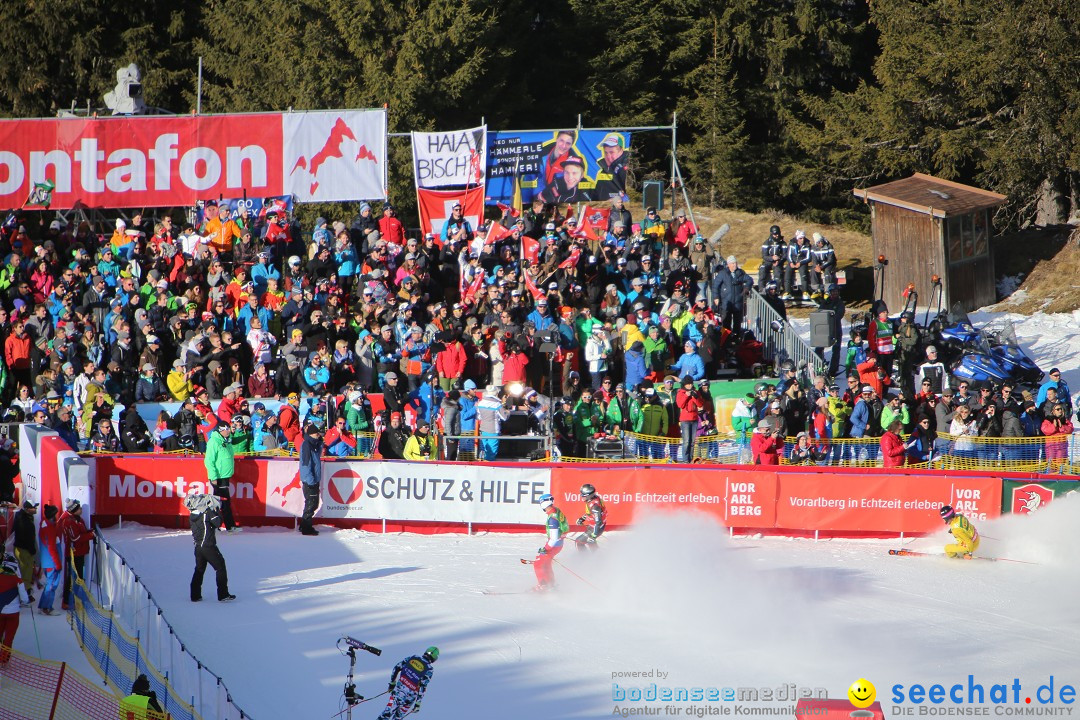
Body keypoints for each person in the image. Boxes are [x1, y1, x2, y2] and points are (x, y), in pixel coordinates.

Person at [184, 491, 235, 602]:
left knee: (199, 569)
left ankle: (195, 595)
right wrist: (216, 511)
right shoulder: (207, 513)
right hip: (208, 546)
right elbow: (218, 523)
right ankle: (223, 594)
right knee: (220, 567)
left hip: (198, 547)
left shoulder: (192, 514)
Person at [379, 646, 438, 720]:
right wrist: (418, 703)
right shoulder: (429, 669)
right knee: (397, 718)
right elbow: (423, 687)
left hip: (398, 692)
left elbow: (397, 667)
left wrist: (392, 683)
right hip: (409, 699)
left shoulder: (413, 657)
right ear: (435, 659)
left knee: (386, 714)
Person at [59, 498, 94, 609]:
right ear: (74, 510)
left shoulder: (76, 518)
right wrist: (91, 536)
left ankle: (75, 599)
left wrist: (89, 532)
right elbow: (76, 538)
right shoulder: (69, 521)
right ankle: (67, 601)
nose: (81, 510)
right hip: (74, 554)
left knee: (78, 577)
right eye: (79, 508)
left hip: (79, 552)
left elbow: (81, 532)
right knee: (73, 577)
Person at [204, 422, 239, 532]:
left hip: (224, 476)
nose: (229, 431)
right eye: (227, 429)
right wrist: (213, 477)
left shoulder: (225, 440)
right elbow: (209, 460)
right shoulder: (214, 441)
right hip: (218, 477)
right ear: (221, 430)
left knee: (221, 502)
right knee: (222, 502)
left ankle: (218, 525)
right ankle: (228, 526)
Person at [533, 493, 567, 591]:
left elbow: (554, 538)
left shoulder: (552, 518)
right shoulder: (556, 511)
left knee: (538, 563)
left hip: (554, 544)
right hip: (558, 544)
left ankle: (543, 585)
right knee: (546, 562)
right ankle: (551, 584)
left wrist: (545, 549)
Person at [0, 552, 29, 663]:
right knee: (9, 637)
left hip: (0, 612)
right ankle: (4, 659)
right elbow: (25, 599)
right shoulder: (18, 580)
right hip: (13, 613)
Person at [299, 421, 325, 536]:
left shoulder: (313, 444)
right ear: (311, 434)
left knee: (312, 502)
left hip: (313, 478)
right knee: (312, 503)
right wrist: (310, 480)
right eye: (316, 434)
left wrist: (320, 442)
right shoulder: (307, 445)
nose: (318, 435)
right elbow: (306, 464)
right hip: (310, 480)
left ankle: (304, 525)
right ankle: (306, 527)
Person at [37, 504, 62, 615]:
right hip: (51, 562)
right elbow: (51, 547)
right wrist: (57, 563)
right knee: (52, 585)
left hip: (48, 561)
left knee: (49, 584)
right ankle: (47, 608)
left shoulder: (45, 526)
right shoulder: (49, 528)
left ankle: (43, 606)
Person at [11, 500, 37, 602]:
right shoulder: (23, 520)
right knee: (25, 573)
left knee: (26, 572)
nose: (35, 509)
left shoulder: (26, 517)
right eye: (33, 508)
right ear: (27, 509)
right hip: (24, 550)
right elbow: (24, 537)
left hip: (25, 549)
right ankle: (24, 595)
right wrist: (31, 550)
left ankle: (25, 592)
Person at [675, 376, 704, 463]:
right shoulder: (681, 392)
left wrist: (695, 397)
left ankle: (690, 459)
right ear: (684, 384)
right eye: (688, 384)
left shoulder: (696, 392)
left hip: (694, 419)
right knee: (686, 441)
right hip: (685, 420)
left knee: (692, 442)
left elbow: (700, 404)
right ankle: (685, 460)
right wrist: (686, 396)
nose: (690, 385)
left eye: (691, 383)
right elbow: (680, 405)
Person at [573, 483, 606, 550]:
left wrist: (594, 535)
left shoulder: (594, 506)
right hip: (594, 526)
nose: (581, 497)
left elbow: (598, 522)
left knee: (579, 541)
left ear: (589, 496)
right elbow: (590, 513)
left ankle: (586, 559)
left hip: (596, 527)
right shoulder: (593, 499)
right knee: (590, 542)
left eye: (583, 495)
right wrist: (582, 518)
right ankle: (598, 558)